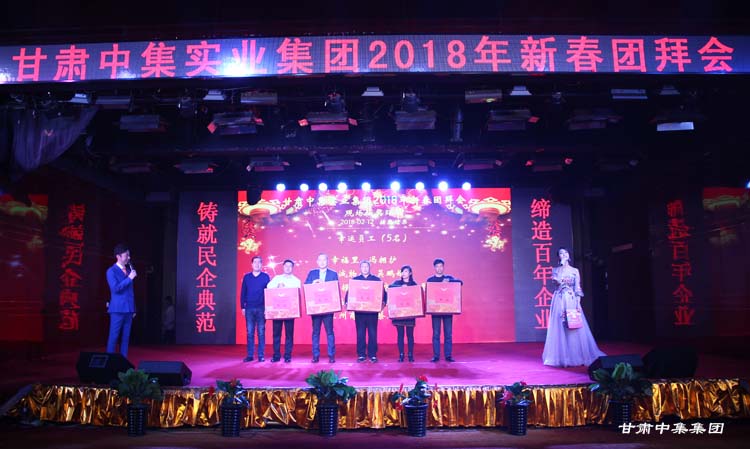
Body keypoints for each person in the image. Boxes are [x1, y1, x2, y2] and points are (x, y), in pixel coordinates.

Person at [542, 248, 606, 367]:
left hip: (571, 299)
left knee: (573, 326)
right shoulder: (555, 270)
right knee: (560, 326)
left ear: (569, 255)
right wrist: (561, 267)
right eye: (561, 253)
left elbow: (577, 288)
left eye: (565, 253)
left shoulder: (575, 270)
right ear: (558, 257)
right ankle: (562, 356)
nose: (564, 254)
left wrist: (578, 303)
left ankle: (576, 355)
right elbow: (556, 282)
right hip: (559, 299)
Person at [345, 260, 386, 363]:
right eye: (363, 266)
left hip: (372, 313)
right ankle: (361, 354)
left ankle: (373, 354)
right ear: (360, 268)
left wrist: (382, 304)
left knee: (373, 333)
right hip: (360, 313)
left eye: (366, 266)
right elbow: (349, 294)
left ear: (369, 267)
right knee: (360, 333)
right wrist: (347, 303)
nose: (365, 268)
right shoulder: (355, 281)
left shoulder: (376, 280)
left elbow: (383, 293)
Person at [304, 253, 339, 363]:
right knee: (315, 332)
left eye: (324, 260)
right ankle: (315, 356)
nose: (322, 262)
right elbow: (306, 286)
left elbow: (335, 289)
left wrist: (325, 285)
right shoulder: (312, 273)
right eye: (320, 260)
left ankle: (331, 355)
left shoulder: (333, 274)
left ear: (327, 261)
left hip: (328, 308)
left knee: (330, 332)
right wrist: (313, 283)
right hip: (316, 308)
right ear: (317, 262)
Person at [426, 258, 462, 362]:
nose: (439, 268)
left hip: (447, 310)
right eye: (437, 266)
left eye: (441, 266)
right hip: (435, 311)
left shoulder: (448, 278)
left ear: (443, 267)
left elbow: (460, 282)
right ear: (434, 268)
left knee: (448, 334)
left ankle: (448, 355)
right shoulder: (430, 280)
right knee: (436, 334)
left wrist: (450, 281)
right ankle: (436, 356)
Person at [266, 259, 301, 363]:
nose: (288, 268)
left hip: (290, 312)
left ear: (292, 268)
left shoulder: (296, 280)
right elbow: (268, 287)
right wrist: (277, 286)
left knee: (289, 335)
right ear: (283, 267)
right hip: (277, 311)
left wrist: (286, 288)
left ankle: (287, 356)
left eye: (290, 266)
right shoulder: (277, 278)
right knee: (276, 334)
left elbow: (296, 294)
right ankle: (276, 355)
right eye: (286, 266)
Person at [106, 243, 137, 357]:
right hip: (117, 310)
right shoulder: (111, 271)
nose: (129, 257)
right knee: (113, 337)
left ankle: (123, 362)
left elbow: (130, 293)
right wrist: (129, 278)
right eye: (126, 255)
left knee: (126, 338)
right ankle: (109, 362)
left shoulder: (128, 271)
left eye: (129, 255)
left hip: (128, 310)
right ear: (118, 256)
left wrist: (133, 308)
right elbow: (115, 289)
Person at [240, 256, 270, 362]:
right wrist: (242, 307)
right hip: (249, 308)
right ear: (252, 264)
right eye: (255, 262)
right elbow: (243, 292)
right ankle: (250, 355)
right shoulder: (247, 277)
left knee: (261, 332)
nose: (257, 264)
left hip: (262, 308)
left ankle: (261, 355)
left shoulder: (266, 277)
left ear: (262, 265)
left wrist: (268, 307)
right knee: (250, 332)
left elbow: (269, 293)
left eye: (259, 262)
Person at [389, 265, 419, 363]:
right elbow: (390, 287)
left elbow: (418, 295)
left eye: (406, 271)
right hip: (399, 314)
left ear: (410, 273)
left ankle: (410, 354)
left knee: (410, 335)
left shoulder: (414, 284)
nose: (404, 273)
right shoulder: (397, 283)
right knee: (400, 335)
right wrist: (400, 287)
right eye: (402, 271)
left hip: (410, 314)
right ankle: (401, 354)